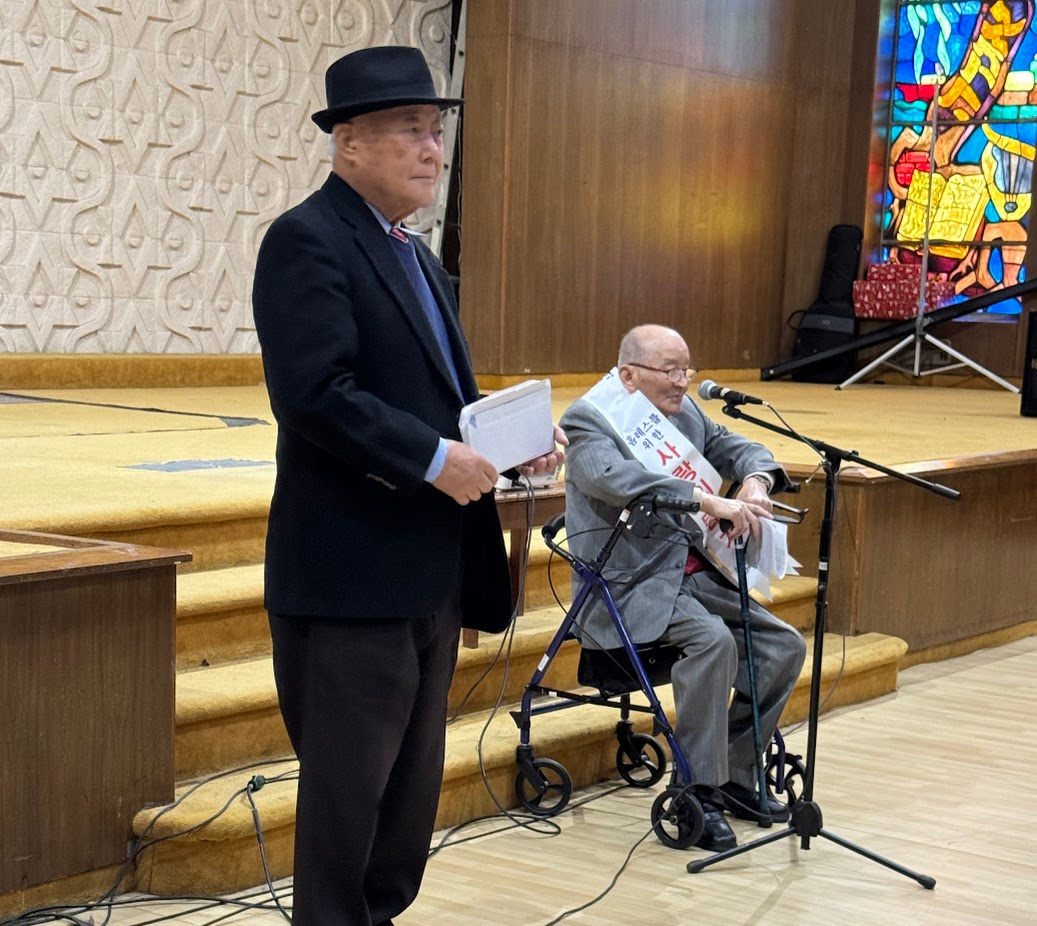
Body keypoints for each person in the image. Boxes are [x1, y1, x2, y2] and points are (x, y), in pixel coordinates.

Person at [251, 45, 563, 926]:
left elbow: (442, 403)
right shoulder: (306, 239)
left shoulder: (418, 260)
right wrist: (432, 459)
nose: (433, 149)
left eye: (435, 131)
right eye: (411, 130)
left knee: (407, 798)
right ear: (349, 141)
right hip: (350, 577)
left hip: (429, 569)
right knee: (348, 799)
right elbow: (315, 394)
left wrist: (508, 450)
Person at [560, 324, 806, 852]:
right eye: (669, 371)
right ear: (629, 375)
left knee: (784, 646)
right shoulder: (588, 420)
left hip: (693, 574)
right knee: (712, 643)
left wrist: (756, 480)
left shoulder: (685, 413)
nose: (682, 381)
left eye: (686, 369)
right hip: (630, 585)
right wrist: (703, 498)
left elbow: (738, 447)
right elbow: (615, 478)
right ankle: (698, 789)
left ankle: (737, 772)